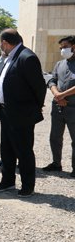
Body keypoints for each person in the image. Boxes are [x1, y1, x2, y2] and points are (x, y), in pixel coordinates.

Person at [0, 29, 46, 197]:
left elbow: (39, 87)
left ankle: (27, 185)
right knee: (6, 149)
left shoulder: (27, 57)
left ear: (6, 43)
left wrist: (32, 109)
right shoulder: (10, 57)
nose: (0, 46)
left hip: (22, 115)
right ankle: (8, 181)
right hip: (6, 112)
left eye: (0, 43)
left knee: (23, 151)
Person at [42, 36, 75, 176]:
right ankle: (56, 163)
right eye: (61, 47)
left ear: (74, 47)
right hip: (58, 107)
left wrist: (62, 95)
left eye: (65, 47)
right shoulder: (59, 64)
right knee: (55, 137)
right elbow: (52, 80)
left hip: (73, 108)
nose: (62, 50)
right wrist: (57, 95)